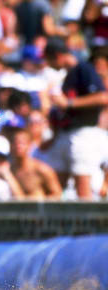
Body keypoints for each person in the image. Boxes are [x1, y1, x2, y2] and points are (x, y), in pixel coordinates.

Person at [43, 38, 108, 200]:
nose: (48, 64)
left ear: (58, 55)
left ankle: (91, 225)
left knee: (82, 188)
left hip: (84, 134)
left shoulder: (84, 69)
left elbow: (103, 97)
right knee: (56, 185)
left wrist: (68, 103)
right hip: (68, 133)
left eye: (48, 59)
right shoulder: (69, 75)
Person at [10, 128, 62, 200]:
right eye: (15, 143)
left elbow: (57, 194)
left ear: (29, 145)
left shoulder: (41, 169)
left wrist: (38, 202)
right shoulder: (9, 170)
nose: (18, 146)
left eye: (22, 143)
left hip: (37, 210)